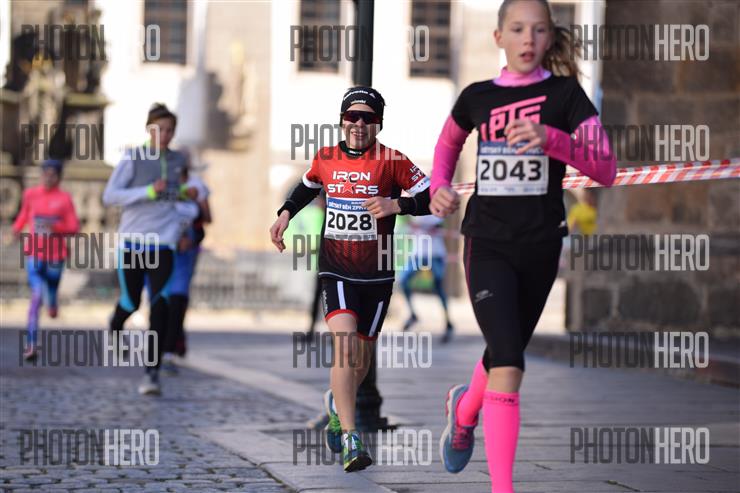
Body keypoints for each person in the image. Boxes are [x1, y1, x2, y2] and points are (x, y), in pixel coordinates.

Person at [429, 1, 616, 491]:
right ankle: (502, 487)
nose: (528, 39)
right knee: (510, 362)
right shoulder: (477, 97)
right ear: (499, 37)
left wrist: (552, 139)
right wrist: (439, 186)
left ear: (550, 37)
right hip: (487, 243)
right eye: (517, 29)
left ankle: (464, 411)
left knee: (503, 351)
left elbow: (605, 168)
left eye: (538, 30)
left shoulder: (565, 96)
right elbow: (447, 145)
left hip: (541, 244)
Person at [269, 86, 431, 472]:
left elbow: (431, 196)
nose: (359, 123)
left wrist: (397, 204)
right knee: (344, 346)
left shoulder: (393, 160)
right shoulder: (326, 157)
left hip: (378, 273)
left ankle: (336, 405)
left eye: (367, 118)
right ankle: (351, 436)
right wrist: (285, 214)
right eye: (351, 116)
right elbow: (307, 186)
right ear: (342, 120)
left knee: (360, 358)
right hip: (336, 267)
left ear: (379, 123)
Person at [102, 103, 199, 396]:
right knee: (131, 302)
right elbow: (110, 196)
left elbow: (173, 197)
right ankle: (115, 326)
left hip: (163, 244)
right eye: (159, 129)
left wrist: (185, 194)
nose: (165, 135)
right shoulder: (133, 158)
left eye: (170, 130)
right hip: (133, 242)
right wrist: (146, 191)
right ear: (149, 129)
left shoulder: (178, 160)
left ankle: (151, 373)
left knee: (160, 307)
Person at [12, 159, 79, 360]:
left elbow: (74, 227)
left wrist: (55, 227)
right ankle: (31, 343)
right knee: (36, 296)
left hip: (56, 256)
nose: (48, 178)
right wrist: (15, 230)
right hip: (34, 253)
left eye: (53, 175)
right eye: (45, 174)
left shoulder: (64, 199)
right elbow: (24, 216)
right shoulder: (31, 194)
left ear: (59, 177)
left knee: (50, 291)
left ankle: (53, 303)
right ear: (41, 175)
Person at [161, 164, 211, 374]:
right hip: (160, 249)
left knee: (177, 300)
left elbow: (207, 218)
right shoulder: (159, 186)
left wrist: (197, 201)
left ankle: (169, 351)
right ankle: (168, 343)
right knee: (160, 301)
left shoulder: (196, 187)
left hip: (184, 253)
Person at [398, 214, 455, 343]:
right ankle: (413, 314)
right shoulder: (414, 210)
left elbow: (440, 226)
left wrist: (424, 227)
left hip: (435, 254)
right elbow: (410, 229)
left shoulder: (437, 211)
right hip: (418, 254)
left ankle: (448, 322)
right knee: (403, 281)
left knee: (439, 286)